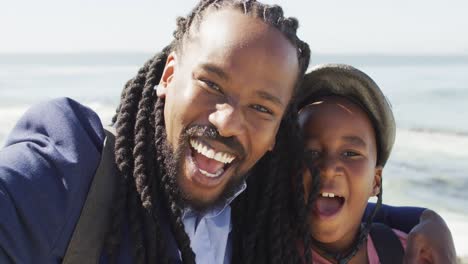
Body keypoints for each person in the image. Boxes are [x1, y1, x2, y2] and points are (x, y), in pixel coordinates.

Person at [0, 1, 455, 263]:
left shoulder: (254, 206)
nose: (228, 121)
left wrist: (427, 220)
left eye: (261, 106)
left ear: (276, 134)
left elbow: (348, 209)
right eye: (211, 84)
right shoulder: (73, 167)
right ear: (168, 75)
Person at [294, 64, 457, 264]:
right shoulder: (257, 247)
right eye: (311, 152)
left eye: (350, 153)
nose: (328, 169)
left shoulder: (408, 254)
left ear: (376, 182)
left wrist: (432, 219)